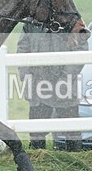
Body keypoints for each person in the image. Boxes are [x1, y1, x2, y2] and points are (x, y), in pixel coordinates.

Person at [17, 23, 84, 151]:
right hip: (38, 87)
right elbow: (22, 50)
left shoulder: (70, 19)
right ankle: (39, 162)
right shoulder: (31, 23)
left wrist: (64, 80)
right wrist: (27, 78)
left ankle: (76, 162)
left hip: (66, 87)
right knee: (37, 131)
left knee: (72, 130)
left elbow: (80, 49)